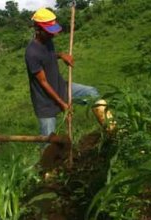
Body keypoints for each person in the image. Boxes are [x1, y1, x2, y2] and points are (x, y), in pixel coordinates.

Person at [25, 8, 115, 139]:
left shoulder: (47, 41)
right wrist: (62, 104)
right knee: (48, 141)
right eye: (49, 31)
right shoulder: (31, 53)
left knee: (92, 93)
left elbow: (46, 56)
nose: (53, 34)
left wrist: (61, 55)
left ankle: (112, 131)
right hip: (45, 103)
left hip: (61, 87)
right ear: (38, 28)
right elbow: (43, 82)